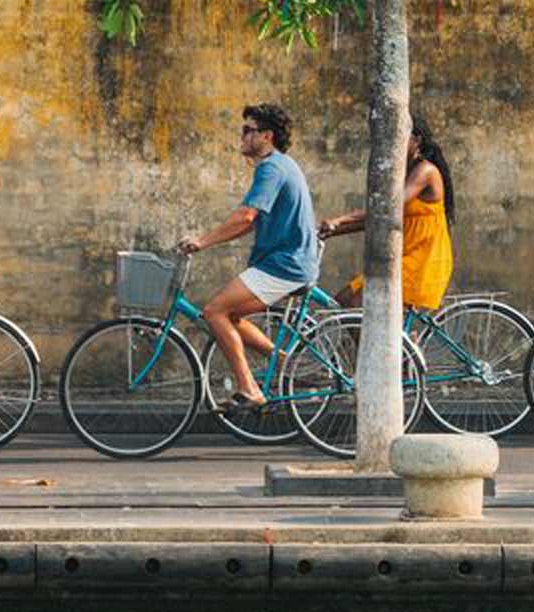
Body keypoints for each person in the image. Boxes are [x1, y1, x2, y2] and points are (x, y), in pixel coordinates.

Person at [177, 104, 320, 406]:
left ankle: (249, 388)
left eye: (247, 130)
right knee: (232, 314)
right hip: (287, 261)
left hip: (286, 264)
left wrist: (201, 241)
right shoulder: (281, 165)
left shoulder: (271, 168)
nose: (241, 137)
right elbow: (249, 221)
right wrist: (210, 240)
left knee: (214, 311)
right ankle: (281, 360)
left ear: (266, 136)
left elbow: (245, 216)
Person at [319, 115, 456, 314]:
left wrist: (339, 220)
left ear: (416, 141)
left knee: (355, 303)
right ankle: (380, 344)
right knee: (343, 301)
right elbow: (379, 220)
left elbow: (386, 209)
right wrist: (331, 231)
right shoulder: (402, 173)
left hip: (424, 260)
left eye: (398, 138)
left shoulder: (425, 171)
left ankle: (382, 347)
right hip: (404, 256)